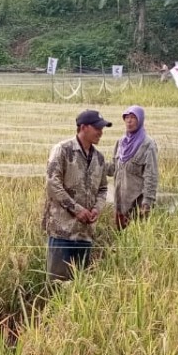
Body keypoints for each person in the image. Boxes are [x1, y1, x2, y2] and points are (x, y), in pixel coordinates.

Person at [42, 109, 111, 281]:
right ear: (83, 127)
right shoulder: (63, 150)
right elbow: (52, 183)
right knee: (56, 285)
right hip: (62, 231)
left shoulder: (99, 158)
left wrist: (97, 208)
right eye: (97, 128)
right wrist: (76, 209)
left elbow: (103, 189)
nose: (100, 132)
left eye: (102, 128)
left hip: (85, 233)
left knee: (79, 285)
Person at [106, 105, 159, 230]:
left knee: (134, 238)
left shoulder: (148, 145)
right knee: (120, 237)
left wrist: (147, 202)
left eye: (133, 118)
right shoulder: (120, 143)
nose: (129, 121)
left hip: (137, 204)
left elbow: (151, 175)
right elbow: (114, 168)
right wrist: (95, 163)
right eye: (127, 117)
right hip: (120, 203)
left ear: (140, 120)